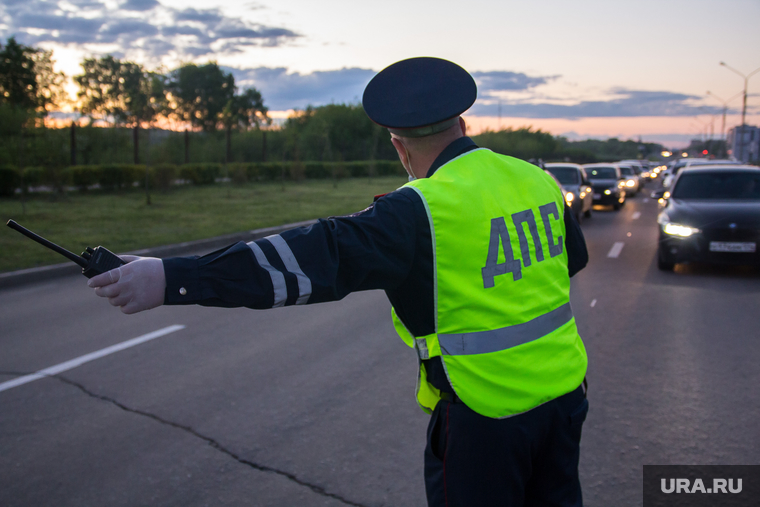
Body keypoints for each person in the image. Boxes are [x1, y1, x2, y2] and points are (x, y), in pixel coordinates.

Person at [89, 57, 590, 506]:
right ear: (464, 124)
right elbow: (569, 262)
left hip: (485, 417)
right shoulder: (535, 179)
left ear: (399, 147)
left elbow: (313, 256)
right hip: (565, 397)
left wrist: (171, 278)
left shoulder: (418, 209)